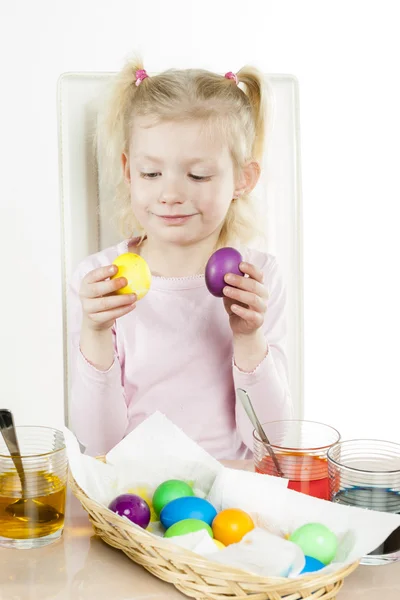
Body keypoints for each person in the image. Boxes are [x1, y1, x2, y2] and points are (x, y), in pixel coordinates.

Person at [68, 57, 293, 459]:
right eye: (152, 174)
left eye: (199, 175)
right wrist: (96, 333)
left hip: (230, 499)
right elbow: (95, 445)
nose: (170, 194)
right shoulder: (98, 281)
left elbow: (272, 444)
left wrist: (247, 336)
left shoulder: (259, 278)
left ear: (243, 178)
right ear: (129, 171)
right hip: (131, 497)